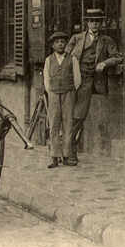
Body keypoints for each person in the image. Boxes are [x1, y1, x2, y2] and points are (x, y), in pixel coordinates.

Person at [65, 8, 122, 165]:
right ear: (87, 22)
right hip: (74, 79)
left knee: (79, 115)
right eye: (91, 20)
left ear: (101, 23)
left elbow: (118, 57)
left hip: (91, 80)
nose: (94, 23)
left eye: (97, 21)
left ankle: (70, 150)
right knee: (71, 114)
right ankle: (67, 148)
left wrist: (104, 63)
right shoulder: (76, 38)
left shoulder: (106, 40)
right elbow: (65, 56)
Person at [43, 31, 81, 169]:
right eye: (57, 42)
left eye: (63, 42)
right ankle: (54, 156)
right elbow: (46, 79)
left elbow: (77, 79)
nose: (60, 44)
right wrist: (51, 91)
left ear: (66, 44)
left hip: (68, 94)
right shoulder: (48, 60)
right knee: (54, 124)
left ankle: (66, 156)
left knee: (68, 124)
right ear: (53, 45)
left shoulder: (73, 59)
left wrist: (69, 89)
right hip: (53, 94)